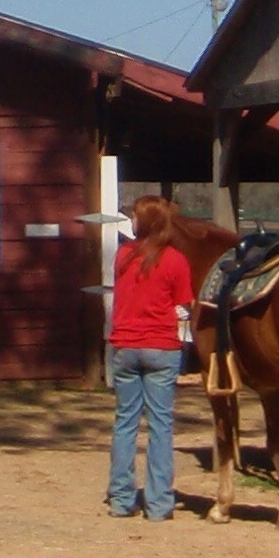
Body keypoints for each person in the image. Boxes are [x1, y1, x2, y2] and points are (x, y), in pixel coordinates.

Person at [105, 196, 196, 520]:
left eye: (134, 216)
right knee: (161, 425)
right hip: (161, 347)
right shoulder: (176, 261)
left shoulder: (123, 256)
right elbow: (184, 305)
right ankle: (158, 504)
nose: (130, 220)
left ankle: (120, 498)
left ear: (143, 222)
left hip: (125, 346)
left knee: (125, 422)